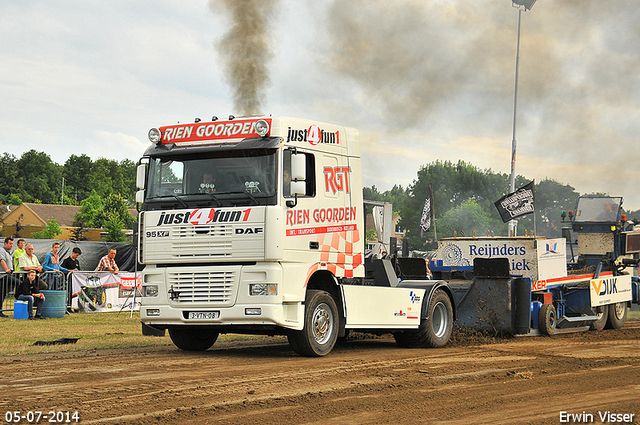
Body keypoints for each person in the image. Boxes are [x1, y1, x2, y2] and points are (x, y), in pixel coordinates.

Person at [0, 237, 21, 318]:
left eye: (12, 243)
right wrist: (7, 270)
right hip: (3, 275)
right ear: (5, 243)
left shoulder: (8, 252)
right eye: (10, 243)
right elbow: (2, 260)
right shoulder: (1, 250)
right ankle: (19, 299)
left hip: (7, 275)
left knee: (2, 294)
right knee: (19, 283)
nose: (12, 245)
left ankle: (0, 311)